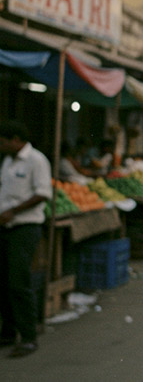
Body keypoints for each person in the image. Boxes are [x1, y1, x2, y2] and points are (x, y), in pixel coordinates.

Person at [0, 120, 52, 358]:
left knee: (19, 282)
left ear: (15, 140)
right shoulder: (8, 162)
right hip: (5, 228)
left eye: (3, 141)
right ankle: (8, 333)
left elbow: (42, 193)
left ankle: (29, 336)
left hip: (25, 228)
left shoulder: (37, 160)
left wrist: (13, 211)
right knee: (4, 282)